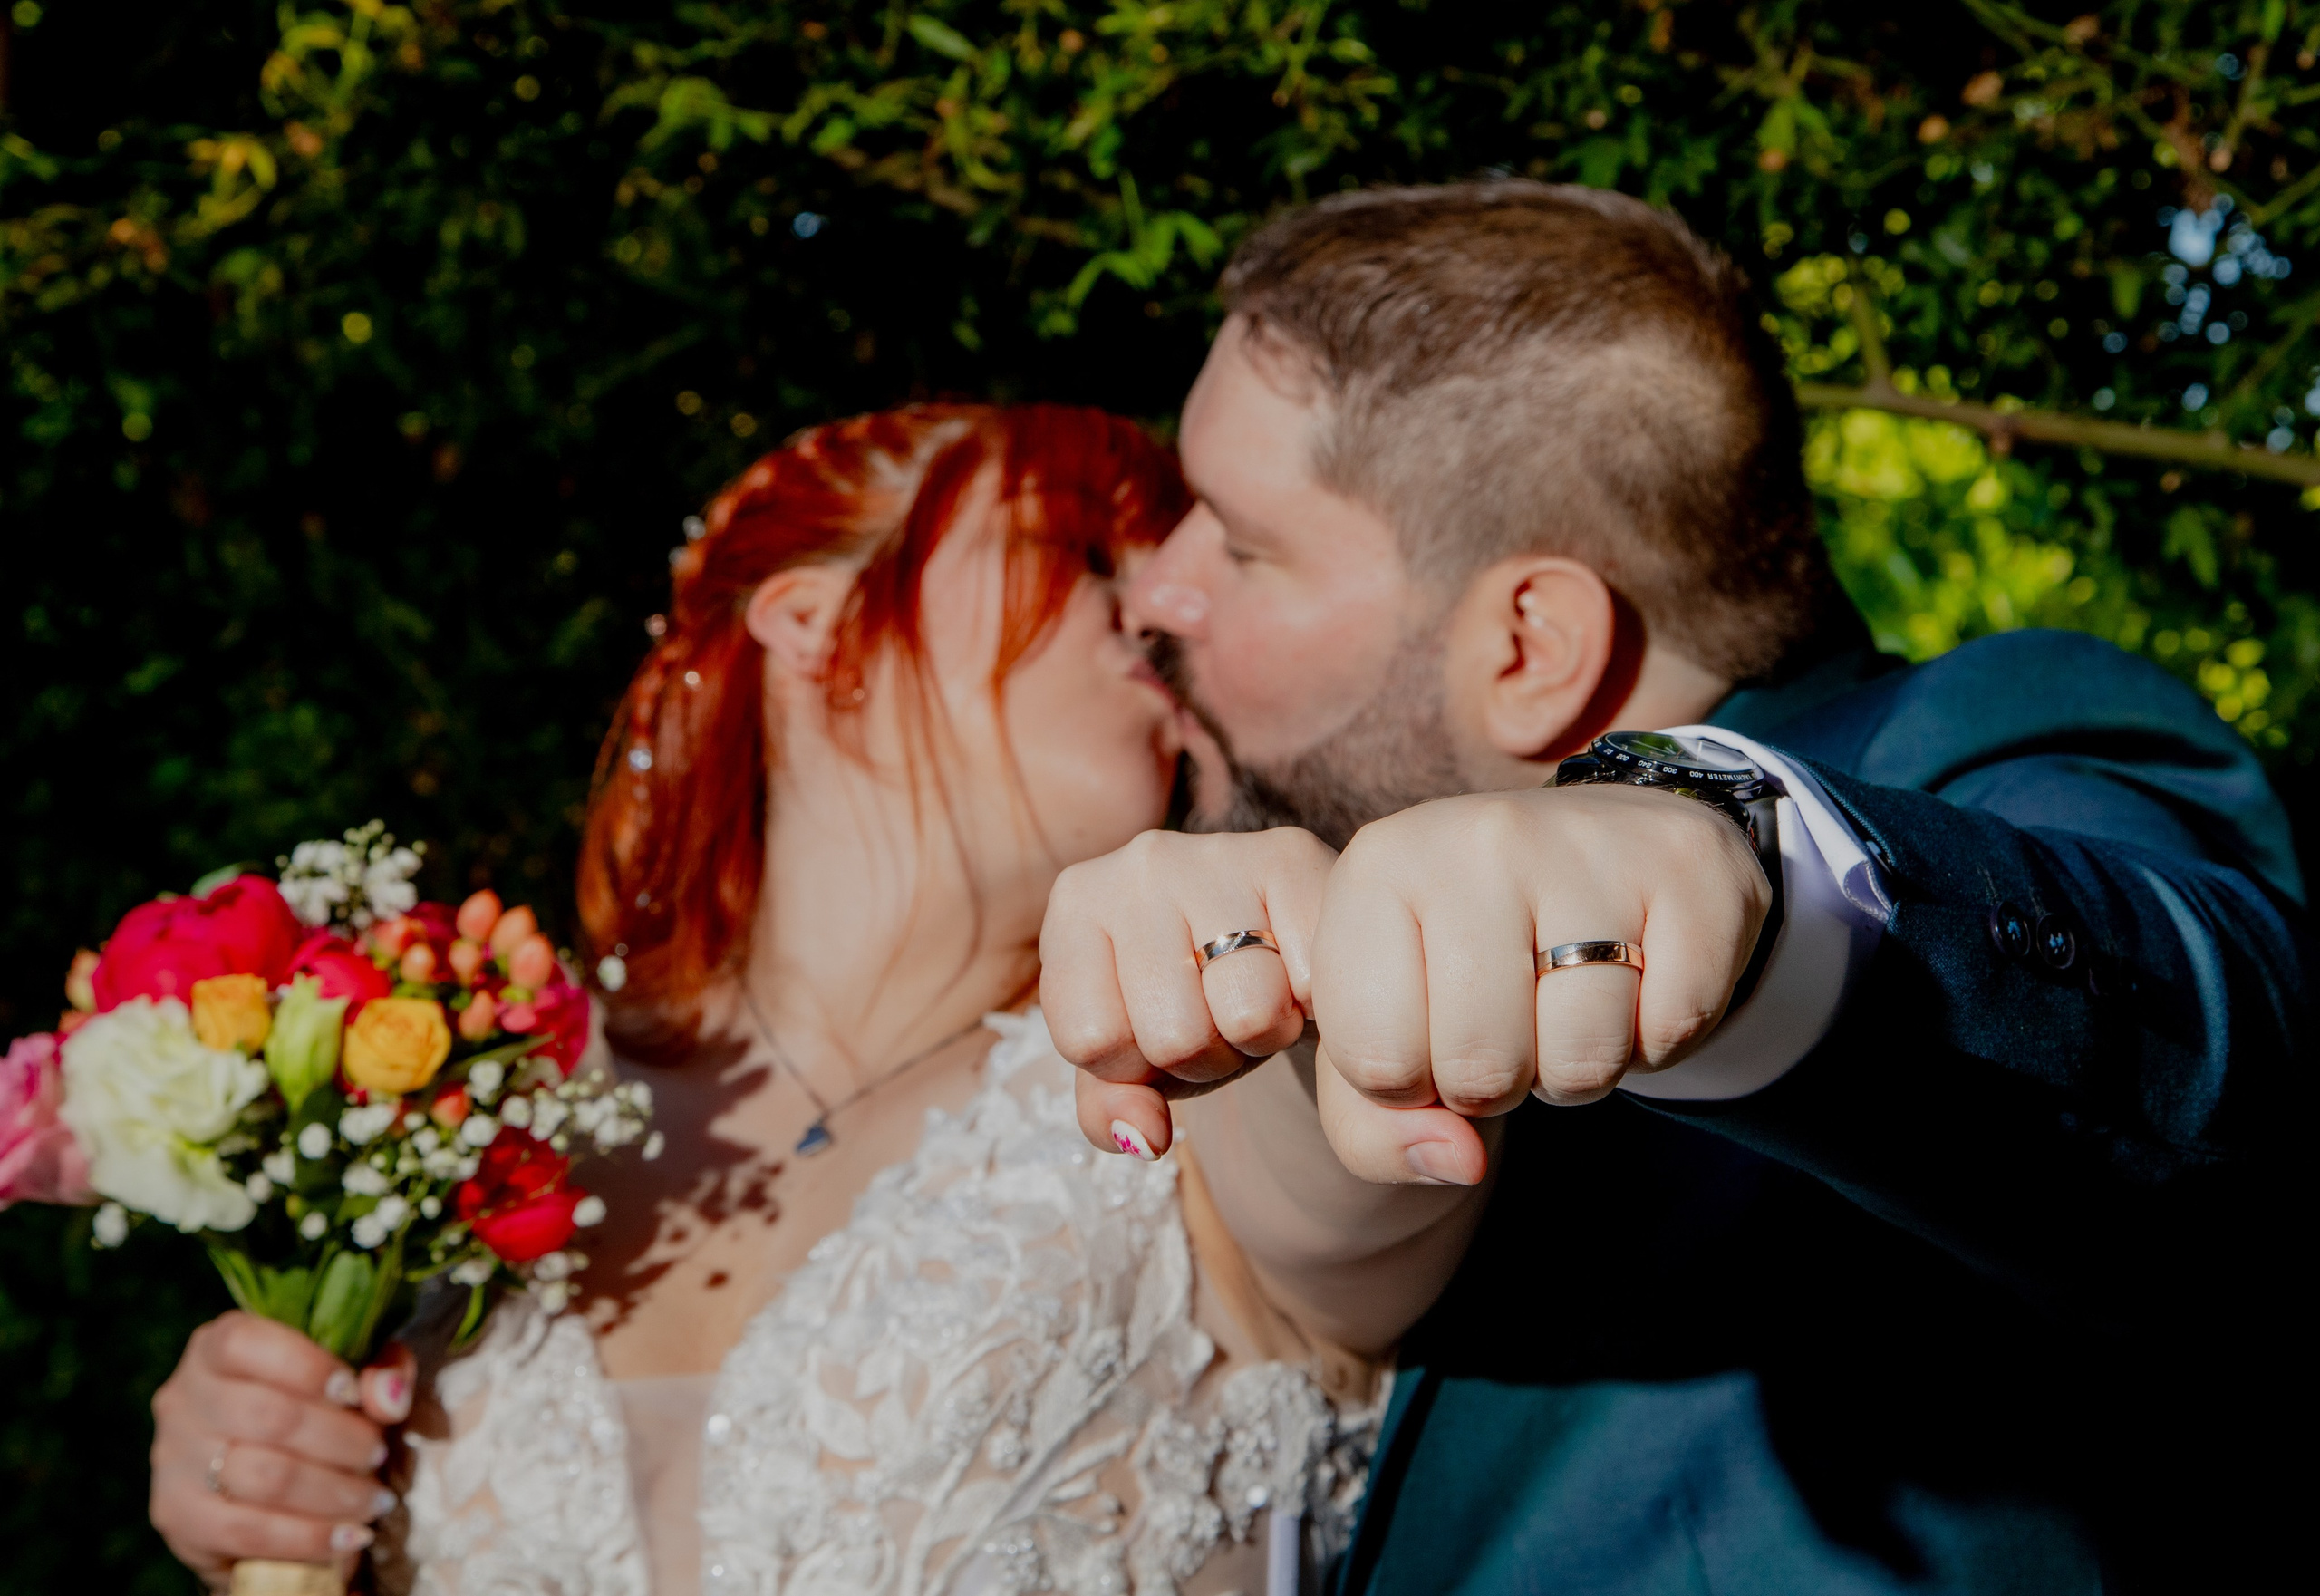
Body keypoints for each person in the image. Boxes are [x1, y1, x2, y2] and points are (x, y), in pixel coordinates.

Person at [1040, 183, 2309, 1593]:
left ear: (1530, 645)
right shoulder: (1285, 919)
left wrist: (1764, 896)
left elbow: (2247, 1058)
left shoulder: (1975, 740)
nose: (1153, 589)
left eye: (1239, 539)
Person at [145, 405, 1481, 1596]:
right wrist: (255, 1489)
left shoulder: (1198, 1068)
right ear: (815, 621)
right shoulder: (469, 1113)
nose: (1160, 611)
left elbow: (1371, 1138)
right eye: (1081, 556)